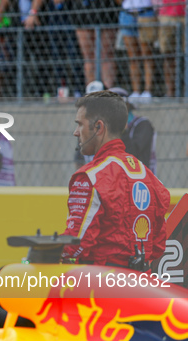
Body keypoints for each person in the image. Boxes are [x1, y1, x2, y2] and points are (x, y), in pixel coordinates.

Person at [62, 91, 169, 268]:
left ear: (98, 127)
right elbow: (158, 247)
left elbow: (77, 243)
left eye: (80, 125)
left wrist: (44, 255)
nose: (75, 132)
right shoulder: (150, 178)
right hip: (142, 286)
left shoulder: (90, 176)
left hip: (101, 286)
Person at [109, 87, 156, 174]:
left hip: (140, 180)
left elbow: (133, 155)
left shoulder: (143, 124)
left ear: (127, 105)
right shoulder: (106, 128)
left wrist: (123, 131)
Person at [118, 0, 156, 102]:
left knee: (147, 55)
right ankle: (136, 91)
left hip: (145, 13)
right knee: (133, 57)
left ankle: (148, 91)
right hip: (127, 14)